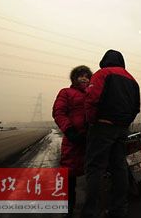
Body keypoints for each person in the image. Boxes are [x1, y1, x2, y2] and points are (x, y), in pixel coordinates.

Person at [82, 49, 140, 218]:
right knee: (119, 168)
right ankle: (118, 210)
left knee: (95, 168)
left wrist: (92, 120)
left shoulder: (102, 74)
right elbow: (136, 107)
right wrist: (125, 122)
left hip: (102, 127)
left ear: (104, 60)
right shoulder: (132, 79)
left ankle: (90, 212)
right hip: (122, 129)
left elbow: (91, 99)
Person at [52, 65, 93, 217]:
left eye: (87, 76)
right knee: (69, 174)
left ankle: (92, 207)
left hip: (91, 140)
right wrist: (69, 131)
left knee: (94, 173)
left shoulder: (93, 93)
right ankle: (68, 207)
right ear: (74, 79)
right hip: (73, 139)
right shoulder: (66, 92)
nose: (84, 78)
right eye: (80, 76)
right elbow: (58, 112)